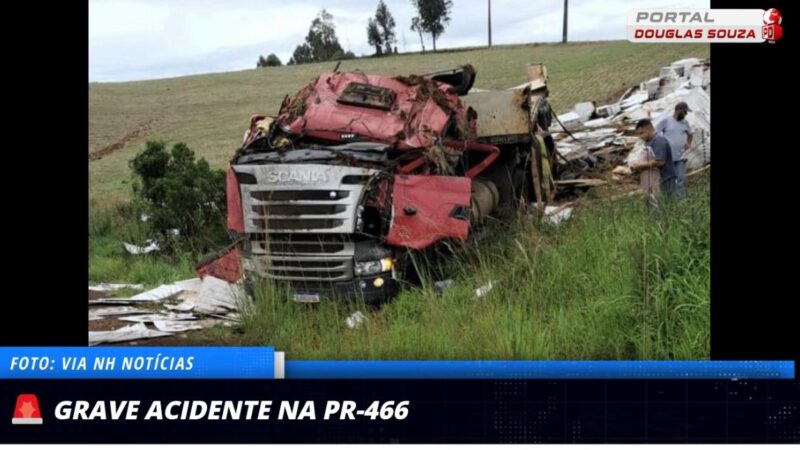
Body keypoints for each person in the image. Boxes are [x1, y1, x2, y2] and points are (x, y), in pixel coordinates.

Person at [631, 119, 677, 209]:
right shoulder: (648, 142)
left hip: (665, 179)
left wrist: (640, 166)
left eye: (641, 133)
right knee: (653, 206)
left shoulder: (659, 141)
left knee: (667, 206)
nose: (640, 137)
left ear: (649, 129)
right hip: (654, 180)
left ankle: (666, 222)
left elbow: (660, 162)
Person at [656, 102, 693, 199]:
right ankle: (667, 200)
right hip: (667, 158)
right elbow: (655, 133)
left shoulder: (685, 123)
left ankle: (681, 201)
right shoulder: (666, 121)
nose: (686, 114)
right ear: (678, 110)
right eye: (685, 112)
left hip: (680, 157)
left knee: (680, 179)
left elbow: (690, 134)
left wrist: (688, 143)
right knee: (666, 180)